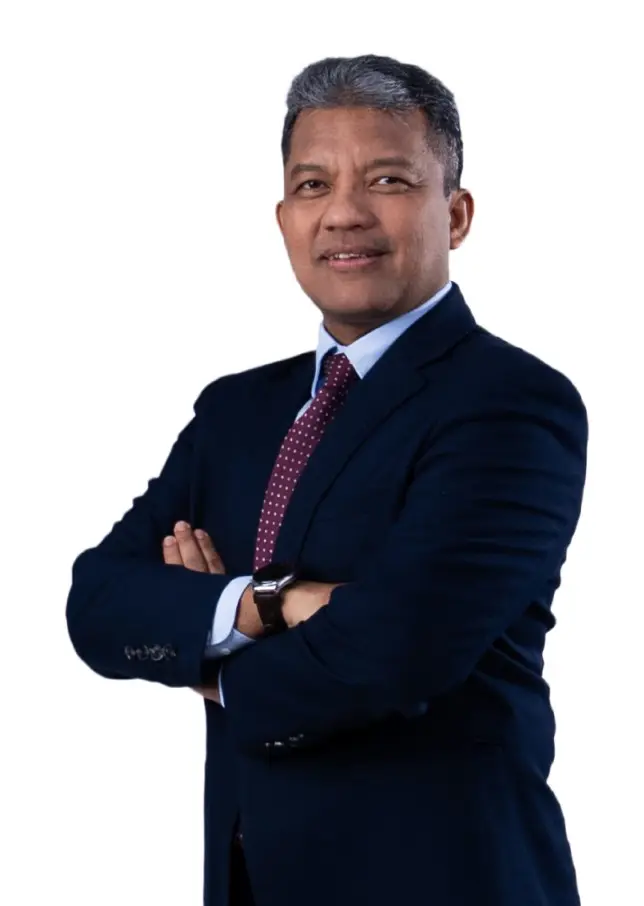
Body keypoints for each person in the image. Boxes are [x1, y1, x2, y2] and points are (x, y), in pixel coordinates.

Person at [66, 54, 588, 906]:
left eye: (387, 180)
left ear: (455, 214)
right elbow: (96, 606)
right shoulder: (236, 411)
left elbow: (397, 651)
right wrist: (267, 605)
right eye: (313, 185)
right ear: (284, 219)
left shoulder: (511, 405)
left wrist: (213, 663)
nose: (344, 212)